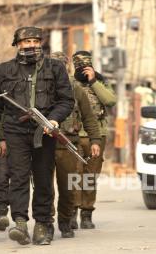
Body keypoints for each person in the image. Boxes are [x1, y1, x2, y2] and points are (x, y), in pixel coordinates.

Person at [0, 26, 74, 245]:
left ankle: (43, 224)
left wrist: (53, 120)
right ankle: (21, 222)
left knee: (43, 179)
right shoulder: (5, 70)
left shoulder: (55, 68)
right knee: (19, 178)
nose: (31, 45)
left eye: (35, 41)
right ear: (17, 44)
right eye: (26, 42)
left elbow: (66, 100)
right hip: (16, 131)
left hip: (44, 131)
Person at [49, 51, 101, 239]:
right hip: (45, 144)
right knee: (45, 188)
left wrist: (95, 140)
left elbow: (88, 117)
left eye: (61, 64)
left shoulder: (75, 88)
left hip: (68, 143)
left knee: (68, 186)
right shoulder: (40, 87)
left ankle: (65, 221)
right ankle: (46, 222)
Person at [71, 51, 116, 229]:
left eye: (86, 65)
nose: (83, 69)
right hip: (74, 135)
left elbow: (110, 100)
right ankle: (72, 212)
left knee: (90, 177)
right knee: (74, 175)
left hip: (97, 136)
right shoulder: (70, 83)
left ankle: (87, 213)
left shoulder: (101, 82)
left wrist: (93, 82)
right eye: (79, 65)